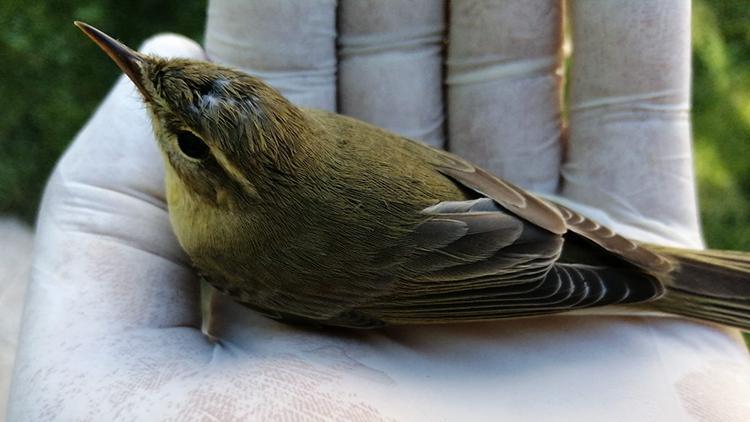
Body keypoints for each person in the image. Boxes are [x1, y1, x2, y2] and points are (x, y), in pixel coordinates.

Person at [7, 1, 750, 420]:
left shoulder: (231, 248)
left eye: (186, 140)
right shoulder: (298, 165)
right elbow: (451, 180)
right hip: (511, 216)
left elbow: (387, 295)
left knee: (648, 280)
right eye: (185, 134)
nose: (144, 86)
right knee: (657, 275)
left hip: (470, 265)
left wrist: (612, 275)